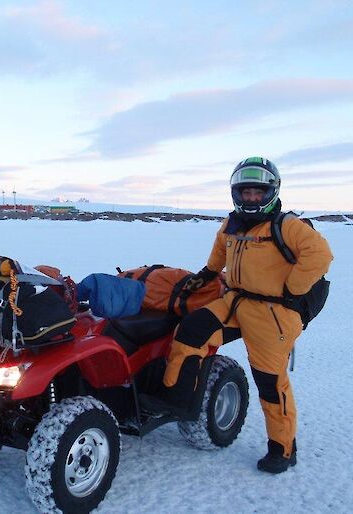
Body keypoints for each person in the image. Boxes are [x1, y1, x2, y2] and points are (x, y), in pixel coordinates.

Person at [139, 156, 333, 473]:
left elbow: (321, 255)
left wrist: (293, 289)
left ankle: (283, 448)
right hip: (236, 300)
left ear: (271, 191)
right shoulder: (232, 225)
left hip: (273, 313)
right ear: (237, 193)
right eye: (246, 192)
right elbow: (219, 253)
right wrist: (205, 274)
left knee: (270, 383)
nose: (252, 198)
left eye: (258, 192)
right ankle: (178, 401)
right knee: (191, 331)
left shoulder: (287, 226)